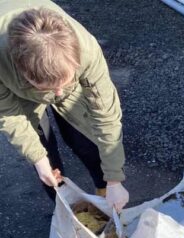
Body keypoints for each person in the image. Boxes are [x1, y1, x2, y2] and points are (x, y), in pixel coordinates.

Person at [0, 0, 129, 211]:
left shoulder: (86, 51)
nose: (58, 93)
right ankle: (67, 208)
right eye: (49, 88)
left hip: (61, 69)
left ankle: (105, 192)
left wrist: (114, 179)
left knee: (84, 138)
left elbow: (106, 115)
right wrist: (38, 159)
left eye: (64, 83)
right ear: (24, 73)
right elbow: (8, 114)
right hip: (17, 88)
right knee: (44, 153)